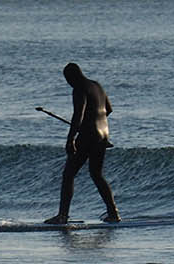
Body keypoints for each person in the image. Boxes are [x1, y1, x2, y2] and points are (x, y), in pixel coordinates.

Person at [45, 62, 120, 224]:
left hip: (89, 136)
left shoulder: (79, 88)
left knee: (68, 174)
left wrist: (70, 138)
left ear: (72, 77)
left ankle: (62, 216)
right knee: (97, 174)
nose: (68, 83)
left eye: (68, 80)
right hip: (103, 135)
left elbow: (78, 114)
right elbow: (109, 109)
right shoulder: (97, 86)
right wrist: (94, 121)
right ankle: (113, 213)